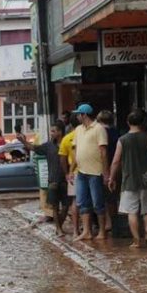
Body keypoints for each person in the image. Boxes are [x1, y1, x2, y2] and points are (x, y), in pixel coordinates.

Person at [109, 109, 147, 248]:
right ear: (142, 122)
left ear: (128, 122)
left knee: (132, 211)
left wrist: (111, 177)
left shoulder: (122, 140)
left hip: (129, 180)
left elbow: (116, 161)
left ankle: (136, 240)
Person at [17, 121, 69, 237]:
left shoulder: (68, 143)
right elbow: (32, 147)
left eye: (53, 131)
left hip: (66, 180)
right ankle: (58, 229)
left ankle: (59, 226)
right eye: (51, 131)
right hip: (53, 180)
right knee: (55, 206)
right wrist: (23, 141)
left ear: (60, 132)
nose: (51, 133)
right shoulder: (49, 145)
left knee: (65, 207)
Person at [71, 103, 109, 241]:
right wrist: (71, 170)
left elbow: (103, 152)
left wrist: (106, 172)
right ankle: (87, 231)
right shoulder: (78, 129)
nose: (77, 116)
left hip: (96, 172)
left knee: (98, 202)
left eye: (78, 114)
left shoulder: (99, 129)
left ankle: (102, 232)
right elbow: (76, 151)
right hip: (81, 171)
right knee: (82, 202)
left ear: (84, 114)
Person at [97, 110, 119, 233]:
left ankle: (108, 223)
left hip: (103, 167)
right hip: (115, 166)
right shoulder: (116, 132)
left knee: (105, 197)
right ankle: (114, 221)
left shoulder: (100, 132)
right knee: (112, 197)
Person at [58, 113, 81, 234]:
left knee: (75, 201)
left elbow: (62, 157)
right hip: (88, 170)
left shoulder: (67, 139)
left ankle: (76, 229)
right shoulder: (85, 135)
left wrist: (66, 173)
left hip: (74, 174)